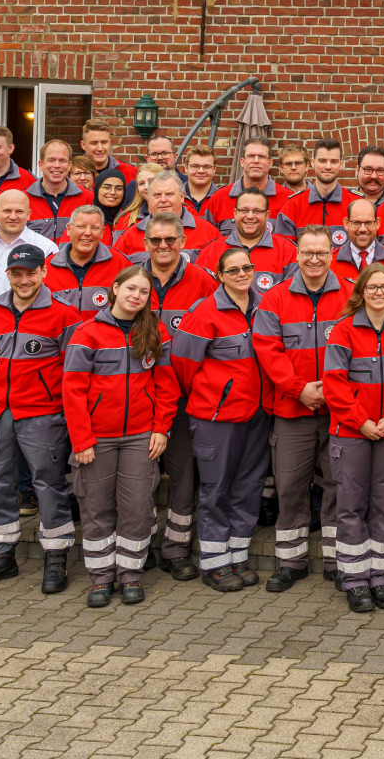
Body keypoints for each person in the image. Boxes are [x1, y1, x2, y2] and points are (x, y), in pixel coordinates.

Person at [0, 244, 82, 593]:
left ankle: (56, 555)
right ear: (8, 275)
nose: (24, 279)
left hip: (43, 414)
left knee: (48, 483)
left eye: (31, 272)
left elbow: (73, 368)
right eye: (17, 273)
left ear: (43, 272)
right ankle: (2, 556)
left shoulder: (64, 314)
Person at [63, 267, 179, 608]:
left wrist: (161, 427)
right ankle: (101, 578)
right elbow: (72, 392)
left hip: (140, 437)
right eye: (131, 288)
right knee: (96, 507)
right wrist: (82, 440)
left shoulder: (155, 332)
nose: (136, 296)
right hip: (97, 438)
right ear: (114, 289)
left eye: (143, 292)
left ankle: (130, 575)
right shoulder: (87, 333)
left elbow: (166, 386)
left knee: (137, 507)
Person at [254, 226, 353, 589]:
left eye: (321, 253)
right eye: (308, 253)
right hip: (292, 410)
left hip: (337, 413)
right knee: (290, 486)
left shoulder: (350, 295)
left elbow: (357, 347)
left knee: (337, 485)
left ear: (332, 255)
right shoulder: (275, 299)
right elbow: (268, 350)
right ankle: (290, 562)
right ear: (296, 255)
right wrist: (299, 389)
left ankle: (336, 560)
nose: (314, 260)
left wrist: (331, 390)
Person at [172, 246, 274, 595]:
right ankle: (214, 562)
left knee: (249, 485)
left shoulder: (264, 307)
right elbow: (183, 364)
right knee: (217, 489)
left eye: (247, 267)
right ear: (219, 275)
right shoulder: (205, 312)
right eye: (233, 270)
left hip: (257, 414)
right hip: (217, 416)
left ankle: (238, 554)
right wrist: (215, 393)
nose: (242, 274)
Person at [321, 263, 384, 611]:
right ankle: (354, 580)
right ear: (361, 292)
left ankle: (380, 578)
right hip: (351, 434)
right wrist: (362, 422)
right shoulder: (343, 331)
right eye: (372, 287)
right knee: (350, 506)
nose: (379, 293)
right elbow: (334, 384)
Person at [135, 212, 218, 579]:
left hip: (185, 396)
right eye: (156, 240)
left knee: (184, 475)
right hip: (138, 394)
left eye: (171, 240)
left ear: (183, 242)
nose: (163, 247)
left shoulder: (202, 280)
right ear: (145, 243)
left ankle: (176, 548)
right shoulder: (132, 279)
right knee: (139, 477)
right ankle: (140, 546)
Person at [197, 188, 295, 287]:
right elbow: (200, 291)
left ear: (267, 215)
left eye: (257, 211)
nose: (250, 216)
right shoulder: (210, 251)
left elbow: (292, 297)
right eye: (244, 210)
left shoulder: (287, 250)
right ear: (235, 213)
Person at [114, 172, 218, 260]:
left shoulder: (209, 234)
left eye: (169, 194)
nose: (163, 200)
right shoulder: (129, 237)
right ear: (148, 198)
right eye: (157, 195)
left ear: (182, 196)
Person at [43, 206, 126, 317]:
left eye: (94, 228)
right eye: (81, 227)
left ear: (102, 232)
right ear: (68, 229)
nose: (87, 233)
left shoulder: (120, 263)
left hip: (103, 334)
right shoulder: (47, 266)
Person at [277, 139, 357, 244]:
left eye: (334, 161)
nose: (328, 167)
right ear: (313, 163)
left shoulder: (356, 203)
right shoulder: (293, 205)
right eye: (322, 161)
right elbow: (284, 251)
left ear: (341, 164)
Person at [203, 139, 279, 235]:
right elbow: (208, 240)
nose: (256, 161)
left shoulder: (287, 199)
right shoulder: (219, 197)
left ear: (270, 163)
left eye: (261, 156)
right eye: (251, 156)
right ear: (242, 161)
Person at [25, 139, 94, 242]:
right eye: (51, 160)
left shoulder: (88, 198)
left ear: (69, 165)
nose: (57, 165)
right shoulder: (23, 200)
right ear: (41, 164)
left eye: (62, 161)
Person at [332, 198, 384, 282]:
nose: (363, 229)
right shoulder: (330, 262)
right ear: (346, 223)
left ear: (377, 223)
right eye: (356, 223)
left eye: (368, 223)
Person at [180, 144, 219, 218]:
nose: (201, 171)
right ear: (186, 167)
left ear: (214, 169)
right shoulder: (175, 198)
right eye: (195, 166)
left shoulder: (221, 199)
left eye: (207, 167)